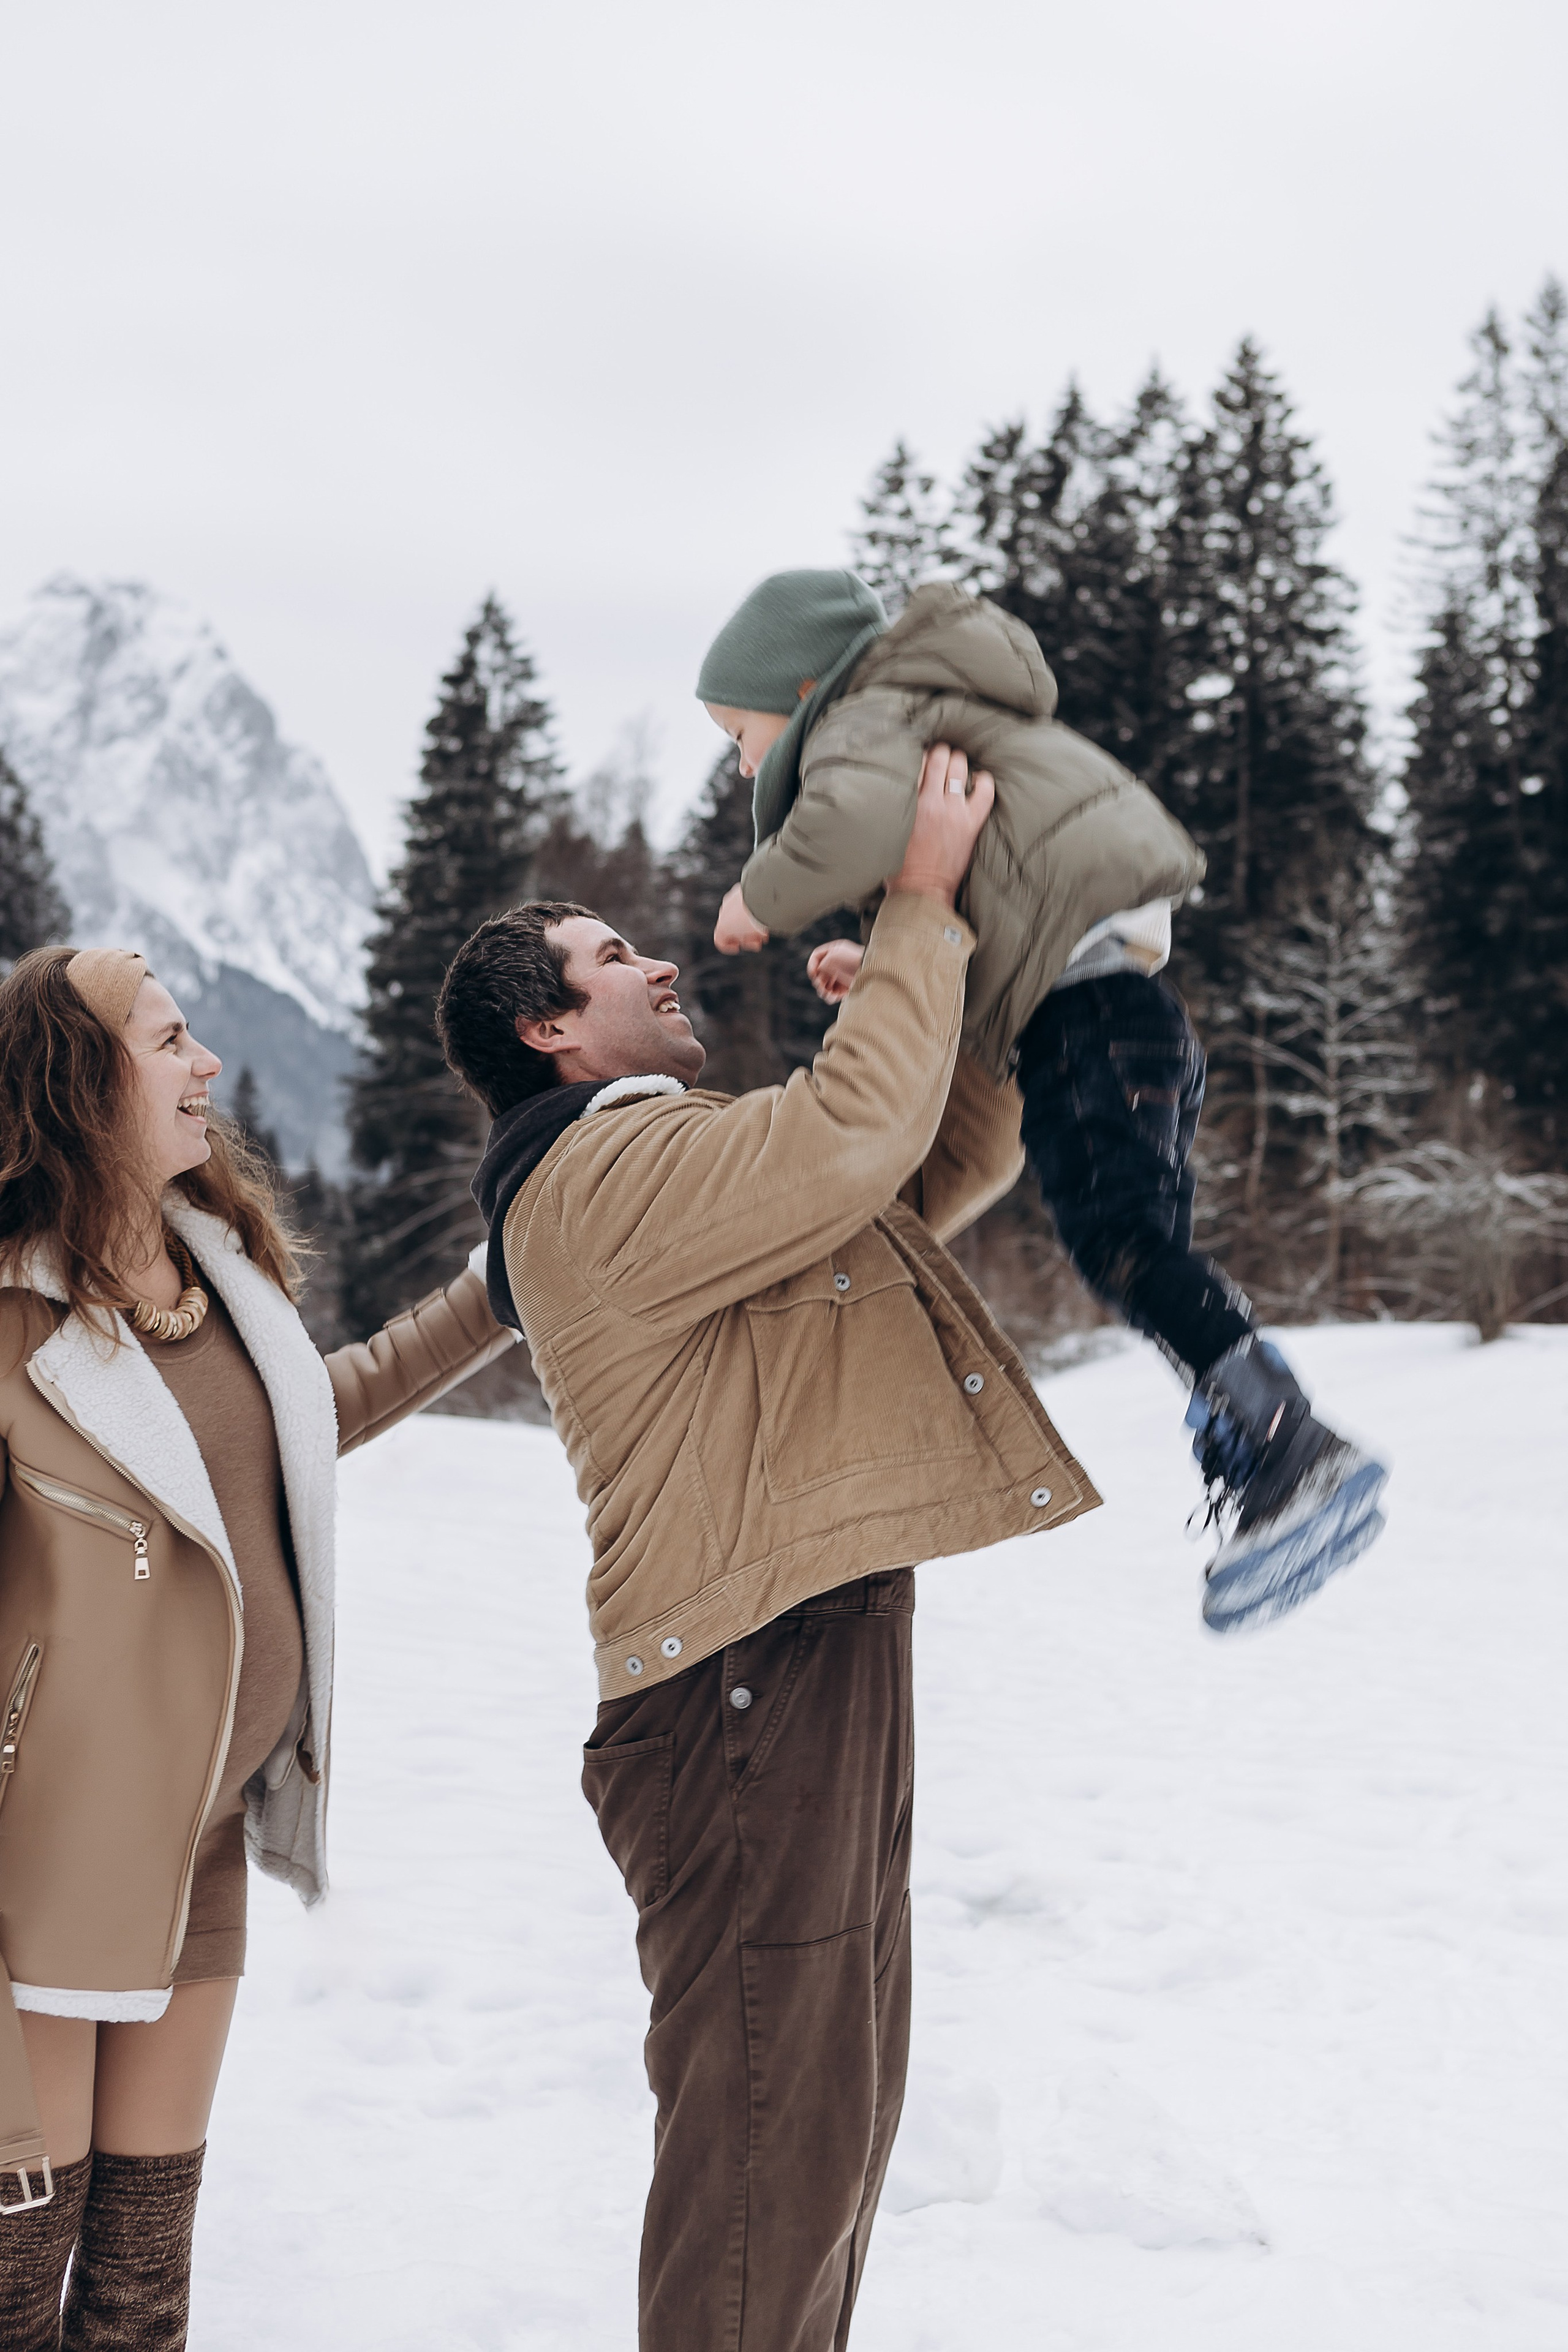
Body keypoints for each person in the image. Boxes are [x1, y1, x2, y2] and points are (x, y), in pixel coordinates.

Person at [437, 746, 1098, 2351]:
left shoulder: (671, 1159)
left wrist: (913, 1003)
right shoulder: (600, 1168)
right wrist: (926, 898)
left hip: (802, 1668)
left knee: (826, 2133)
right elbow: (849, 1143)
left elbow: (918, 1171)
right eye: (609, 958)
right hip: (743, 1698)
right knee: (764, 2160)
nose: (655, 960)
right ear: (547, 1031)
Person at [698, 568, 1388, 1632]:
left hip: (1089, 1026)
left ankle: (1291, 1443)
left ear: (798, 694)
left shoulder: (863, 717)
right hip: (1125, 1012)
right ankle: (1266, 1446)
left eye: (736, 733)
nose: (738, 762)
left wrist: (759, 898)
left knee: (1122, 1241)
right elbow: (1000, 903)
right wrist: (879, 956)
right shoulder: (941, 715)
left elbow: (848, 825)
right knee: (1142, 1251)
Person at [0, 945, 516, 2347]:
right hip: (35, 1882)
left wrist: (491, 1289)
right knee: (14, 2290)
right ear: (81, 1086)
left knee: (141, 2283)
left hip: (204, 1841)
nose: (206, 1065)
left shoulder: (217, 1275)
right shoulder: (8, 1319)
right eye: (170, 1041)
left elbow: (306, 1420)